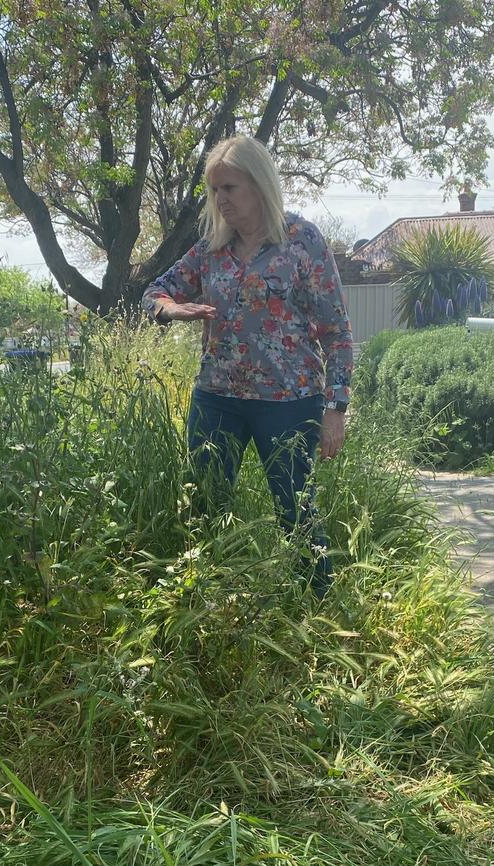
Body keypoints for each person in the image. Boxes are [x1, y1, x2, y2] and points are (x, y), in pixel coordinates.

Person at [142, 135, 353, 598]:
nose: (220, 199)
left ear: (259, 185)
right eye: (215, 190)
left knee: (295, 511)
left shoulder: (302, 241)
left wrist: (336, 408)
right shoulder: (211, 248)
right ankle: (205, 608)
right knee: (205, 506)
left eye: (230, 187)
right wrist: (170, 309)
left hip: (288, 402)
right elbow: (154, 291)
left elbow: (336, 332)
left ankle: (316, 612)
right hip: (217, 399)